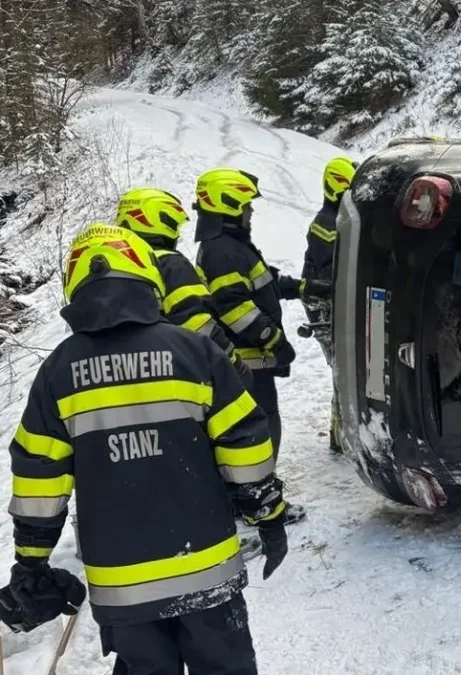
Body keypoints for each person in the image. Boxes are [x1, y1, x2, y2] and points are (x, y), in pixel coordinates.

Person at [2, 223, 287, 674]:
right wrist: (268, 514)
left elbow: (39, 477)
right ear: (144, 274)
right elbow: (246, 446)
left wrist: (31, 562)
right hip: (206, 571)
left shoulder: (58, 373)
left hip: (122, 588)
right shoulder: (194, 353)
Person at [192, 168, 330, 524]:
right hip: (247, 363)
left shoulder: (228, 246)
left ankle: (246, 499)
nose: (250, 213)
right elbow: (235, 307)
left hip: (246, 362)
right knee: (260, 429)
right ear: (230, 205)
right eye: (246, 207)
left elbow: (261, 280)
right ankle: (258, 503)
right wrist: (274, 340)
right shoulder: (223, 250)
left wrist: (300, 287)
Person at [114, 187, 252, 386]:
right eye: (174, 225)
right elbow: (197, 323)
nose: (177, 234)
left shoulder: (114, 267)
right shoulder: (169, 263)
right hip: (172, 373)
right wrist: (232, 363)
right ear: (157, 221)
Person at [300, 156, 356, 453]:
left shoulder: (338, 218)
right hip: (324, 307)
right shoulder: (326, 224)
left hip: (327, 303)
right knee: (342, 369)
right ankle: (339, 435)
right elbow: (331, 272)